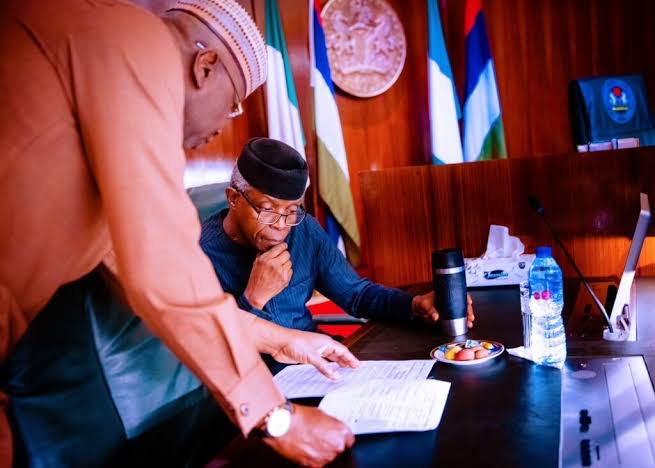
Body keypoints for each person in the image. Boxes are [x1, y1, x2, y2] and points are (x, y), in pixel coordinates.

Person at [0, 1, 358, 466]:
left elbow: (161, 291)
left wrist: (283, 340)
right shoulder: (137, 41)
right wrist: (277, 417)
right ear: (204, 66)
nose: (225, 124)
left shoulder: (105, 154)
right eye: (233, 103)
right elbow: (168, 272)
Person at [200, 137, 475, 337]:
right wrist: (253, 299)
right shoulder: (199, 255)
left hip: (314, 366)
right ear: (233, 198)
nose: (281, 226)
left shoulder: (303, 229)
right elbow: (212, 355)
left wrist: (415, 304)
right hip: (258, 384)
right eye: (268, 210)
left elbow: (357, 294)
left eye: (291, 210)